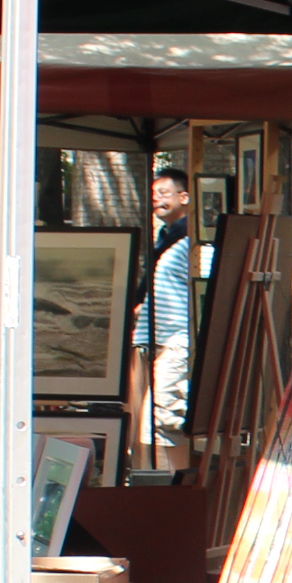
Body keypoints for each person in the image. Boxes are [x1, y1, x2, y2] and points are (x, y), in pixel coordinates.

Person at [137, 166, 193, 452]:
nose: (157, 199)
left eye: (163, 193)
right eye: (154, 194)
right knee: (149, 420)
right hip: (156, 339)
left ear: (184, 197)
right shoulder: (166, 235)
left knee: (163, 420)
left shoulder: (189, 238)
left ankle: (171, 477)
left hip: (175, 339)